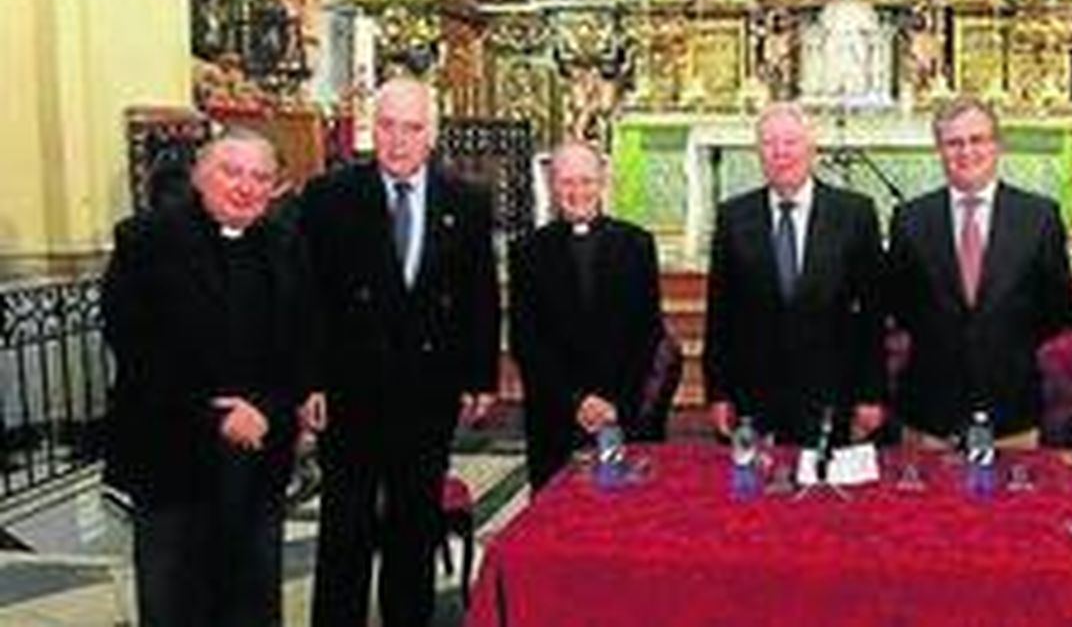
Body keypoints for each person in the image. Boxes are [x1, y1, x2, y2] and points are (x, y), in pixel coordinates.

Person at [300, 77, 501, 627]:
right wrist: (309, 381)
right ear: (373, 127)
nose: (398, 140)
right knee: (346, 531)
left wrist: (480, 378)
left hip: (426, 393)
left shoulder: (465, 200)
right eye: (387, 126)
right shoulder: (329, 197)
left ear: (431, 134)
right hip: (350, 390)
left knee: (413, 529)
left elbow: (479, 296)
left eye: (411, 128)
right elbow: (309, 298)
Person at [103, 129, 318, 627]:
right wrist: (212, 414)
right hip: (173, 453)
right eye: (232, 172)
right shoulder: (146, 240)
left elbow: (303, 341)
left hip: (258, 453)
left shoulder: (285, 244)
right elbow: (137, 348)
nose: (246, 187)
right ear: (201, 176)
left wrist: (265, 406)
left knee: (252, 596)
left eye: (261, 177)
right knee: (177, 599)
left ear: (275, 187)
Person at [887, 95, 1072, 447]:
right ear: (939, 150)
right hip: (929, 412)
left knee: (1012, 503)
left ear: (997, 145)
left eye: (977, 140)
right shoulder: (910, 220)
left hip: (1013, 413)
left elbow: (1057, 312)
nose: (966, 152)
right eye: (954, 143)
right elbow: (902, 308)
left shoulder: (1039, 218)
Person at [703, 101, 886, 445]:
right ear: (758, 152)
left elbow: (872, 314)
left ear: (811, 148)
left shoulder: (854, 214)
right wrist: (719, 393)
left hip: (832, 391)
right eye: (770, 144)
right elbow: (721, 314)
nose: (780, 153)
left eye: (790, 142)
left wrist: (871, 394)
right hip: (754, 393)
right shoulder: (733, 216)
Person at [509, 140, 665, 489]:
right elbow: (526, 339)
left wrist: (615, 402)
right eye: (567, 182)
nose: (577, 191)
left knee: (623, 522)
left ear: (602, 182)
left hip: (622, 411)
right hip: (555, 415)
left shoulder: (637, 245)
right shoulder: (528, 251)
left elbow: (648, 333)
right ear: (552, 185)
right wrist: (576, 401)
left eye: (586, 181)